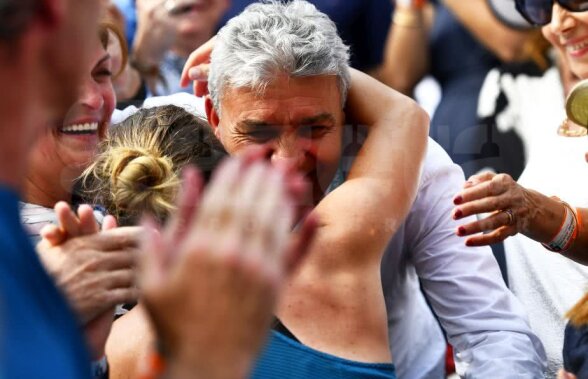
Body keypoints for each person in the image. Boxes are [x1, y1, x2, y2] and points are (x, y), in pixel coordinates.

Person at [182, 1, 546, 378]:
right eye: (259, 132)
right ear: (214, 118)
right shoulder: (173, 146)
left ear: (346, 113)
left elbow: (492, 332)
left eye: (314, 128)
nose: (288, 159)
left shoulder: (415, 164)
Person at [0, 0, 316, 378]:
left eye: (103, 74)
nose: (89, 99)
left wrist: (263, 55)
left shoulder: (120, 135)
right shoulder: (25, 265)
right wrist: (39, 312)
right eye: (57, 70)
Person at [453, 2, 588, 376]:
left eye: (577, 0)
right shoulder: (563, 112)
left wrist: (539, 213)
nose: (558, 24)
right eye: (541, 8)